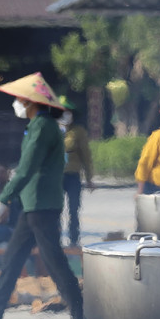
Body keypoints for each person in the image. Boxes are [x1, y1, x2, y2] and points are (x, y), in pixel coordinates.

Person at [0, 72, 84, 319]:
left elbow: (27, 168)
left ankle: (81, 317)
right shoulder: (38, 126)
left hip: (41, 205)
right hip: (33, 205)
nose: (17, 103)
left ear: (30, 102)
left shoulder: (42, 127)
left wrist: (2, 198)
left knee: (54, 263)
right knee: (12, 261)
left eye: (20, 99)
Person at [59, 101, 93, 247]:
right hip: (56, 176)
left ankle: (74, 239)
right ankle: (56, 239)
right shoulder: (52, 130)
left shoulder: (78, 131)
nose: (65, 115)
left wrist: (89, 178)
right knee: (56, 209)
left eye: (68, 112)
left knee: (73, 209)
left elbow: (86, 155)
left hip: (73, 175)